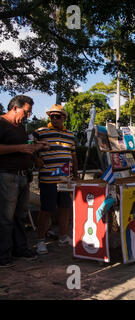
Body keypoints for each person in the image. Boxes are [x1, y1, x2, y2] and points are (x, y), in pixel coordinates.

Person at [0, 95, 50, 267]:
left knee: (20, 216)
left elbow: (25, 148)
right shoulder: (1, 123)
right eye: (26, 112)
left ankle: (20, 249)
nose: (28, 116)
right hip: (7, 175)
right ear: (15, 107)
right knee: (6, 217)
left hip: (23, 176)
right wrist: (20, 147)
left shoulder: (20, 127)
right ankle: (3, 255)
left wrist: (36, 149)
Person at [33, 104, 78, 255]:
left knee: (65, 208)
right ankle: (40, 241)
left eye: (57, 116)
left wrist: (76, 174)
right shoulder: (40, 132)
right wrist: (36, 159)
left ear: (64, 118)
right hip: (48, 178)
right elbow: (30, 147)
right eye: (51, 116)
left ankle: (63, 237)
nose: (54, 118)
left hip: (65, 179)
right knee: (46, 209)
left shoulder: (70, 135)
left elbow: (73, 155)